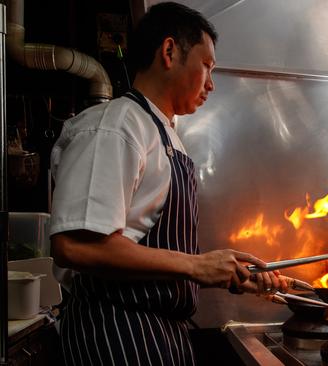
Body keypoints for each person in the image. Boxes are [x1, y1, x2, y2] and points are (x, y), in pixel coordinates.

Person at [49, 2, 287, 365]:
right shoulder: (116, 127)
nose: (211, 83)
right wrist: (196, 266)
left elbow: (148, 248)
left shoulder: (164, 134)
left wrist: (229, 275)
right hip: (116, 335)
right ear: (170, 51)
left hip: (158, 334)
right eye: (207, 66)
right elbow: (74, 246)